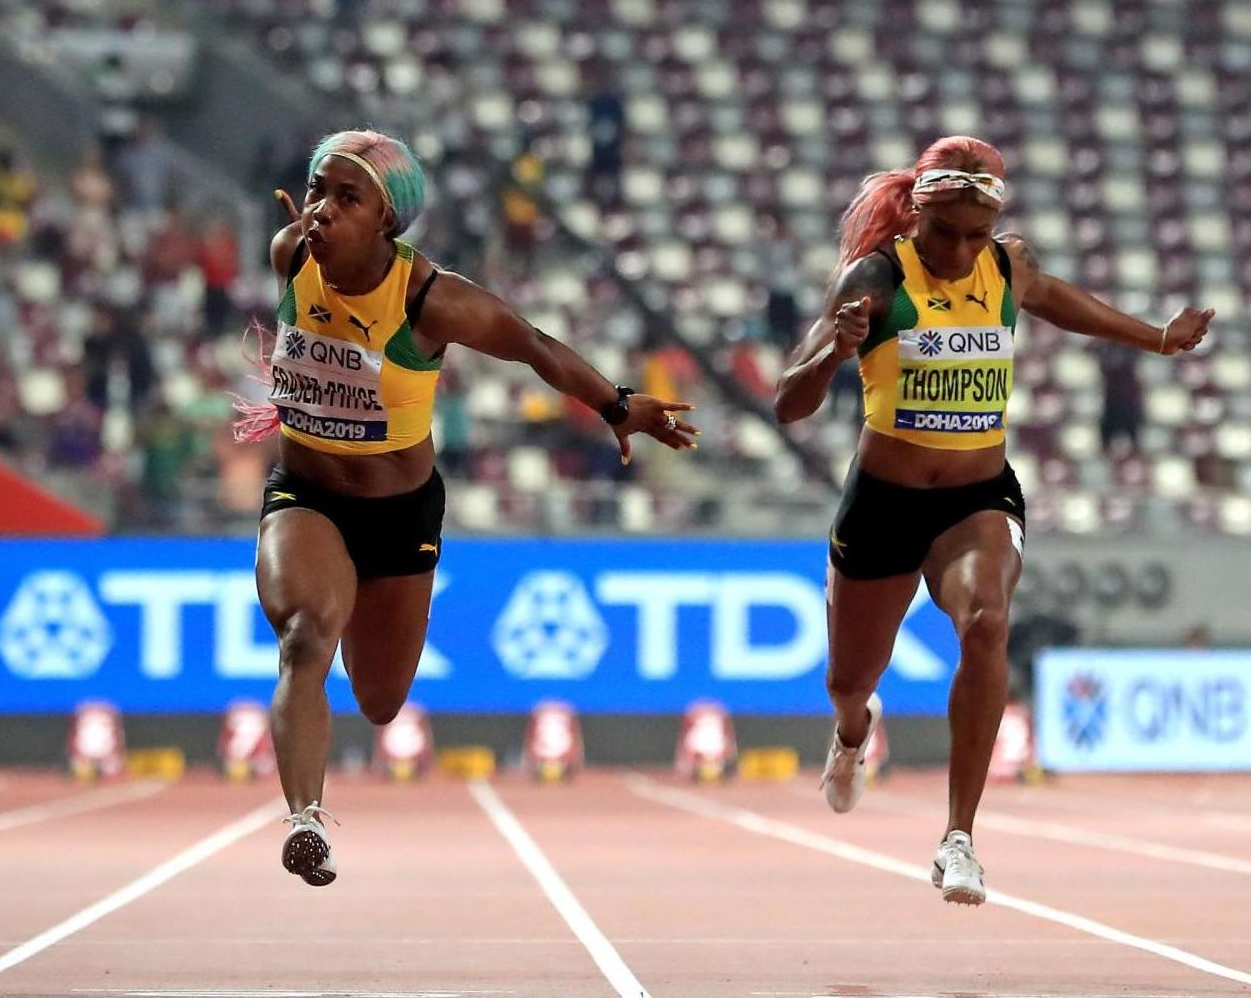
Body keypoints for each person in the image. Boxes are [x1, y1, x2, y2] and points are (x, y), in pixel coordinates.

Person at [241, 129, 696, 886]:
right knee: (302, 636)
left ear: (389, 220)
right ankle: (305, 820)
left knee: (381, 702)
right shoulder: (291, 255)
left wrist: (616, 405)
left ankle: (350, 605)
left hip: (399, 511)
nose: (319, 210)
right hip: (306, 495)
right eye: (316, 190)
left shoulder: (430, 297)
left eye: (345, 198)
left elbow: (533, 345)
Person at [775, 134, 1211, 905]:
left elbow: (1063, 302)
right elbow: (788, 403)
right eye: (947, 234)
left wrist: (1157, 338)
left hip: (976, 497)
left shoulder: (1007, 266)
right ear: (915, 214)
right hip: (882, 503)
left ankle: (957, 839)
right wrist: (830, 356)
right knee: (851, 681)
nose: (961, 250)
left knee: (986, 620)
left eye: (977, 235)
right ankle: (851, 734)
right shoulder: (877, 277)